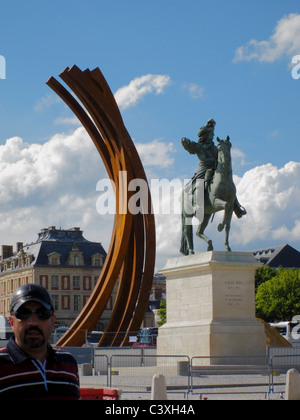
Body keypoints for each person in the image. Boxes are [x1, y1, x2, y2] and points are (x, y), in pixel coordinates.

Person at [0, 284, 80, 400]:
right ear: (11, 322)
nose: (33, 322)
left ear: (53, 321)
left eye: (42, 314)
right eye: (23, 314)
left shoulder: (68, 364)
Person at [181, 118, 246, 218]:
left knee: (228, 184)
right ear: (206, 136)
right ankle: (198, 205)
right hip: (204, 170)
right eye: (211, 134)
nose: (213, 136)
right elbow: (188, 144)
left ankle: (236, 207)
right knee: (199, 183)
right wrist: (185, 141)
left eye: (213, 134)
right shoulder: (199, 147)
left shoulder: (215, 148)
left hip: (215, 169)